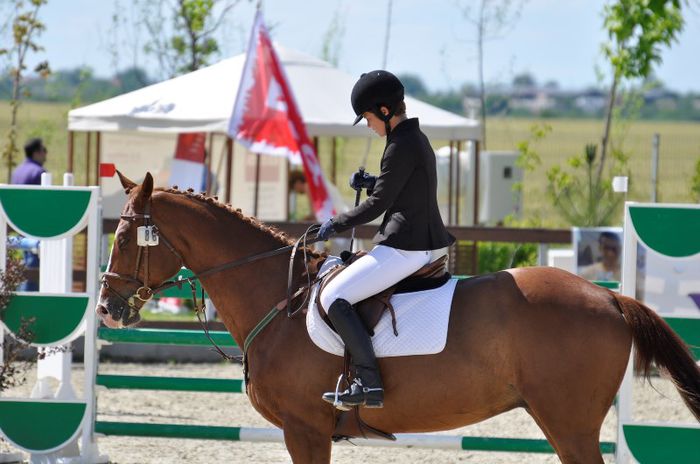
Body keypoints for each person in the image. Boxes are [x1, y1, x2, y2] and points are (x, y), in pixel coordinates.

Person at [316, 70, 455, 409]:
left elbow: (379, 205)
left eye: (366, 117)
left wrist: (335, 223)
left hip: (405, 247)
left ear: (382, 110)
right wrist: (374, 180)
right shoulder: (412, 139)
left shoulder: (398, 146)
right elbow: (401, 186)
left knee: (334, 295)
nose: (367, 125)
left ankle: (368, 381)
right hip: (414, 242)